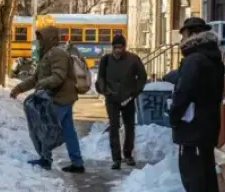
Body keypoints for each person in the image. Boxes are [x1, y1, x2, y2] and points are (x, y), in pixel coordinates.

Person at [10, 26, 85, 173]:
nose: (38, 41)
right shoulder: (47, 54)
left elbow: (58, 76)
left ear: (49, 38)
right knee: (69, 131)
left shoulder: (57, 53)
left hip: (59, 98)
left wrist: (43, 84)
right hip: (59, 97)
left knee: (45, 127)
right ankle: (77, 162)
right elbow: (35, 78)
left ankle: (46, 159)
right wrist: (19, 88)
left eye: (40, 38)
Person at [170, 17, 225, 192]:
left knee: (194, 178)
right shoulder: (214, 57)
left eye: (183, 34)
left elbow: (183, 93)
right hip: (208, 125)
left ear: (192, 34)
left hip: (192, 128)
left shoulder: (194, 60)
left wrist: (173, 116)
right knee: (206, 175)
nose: (181, 40)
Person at [95, 33, 148, 170]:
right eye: (116, 47)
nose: (118, 50)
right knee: (114, 127)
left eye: (121, 47)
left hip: (128, 98)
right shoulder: (106, 60)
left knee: (129, 127)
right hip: (112, 98)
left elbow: (142, 77)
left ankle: (128, 154)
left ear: (125, 47)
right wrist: (104, 90)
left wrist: (134, 92)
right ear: (112, 48)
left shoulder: (133, 60)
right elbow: (100, 77)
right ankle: (116, 158)